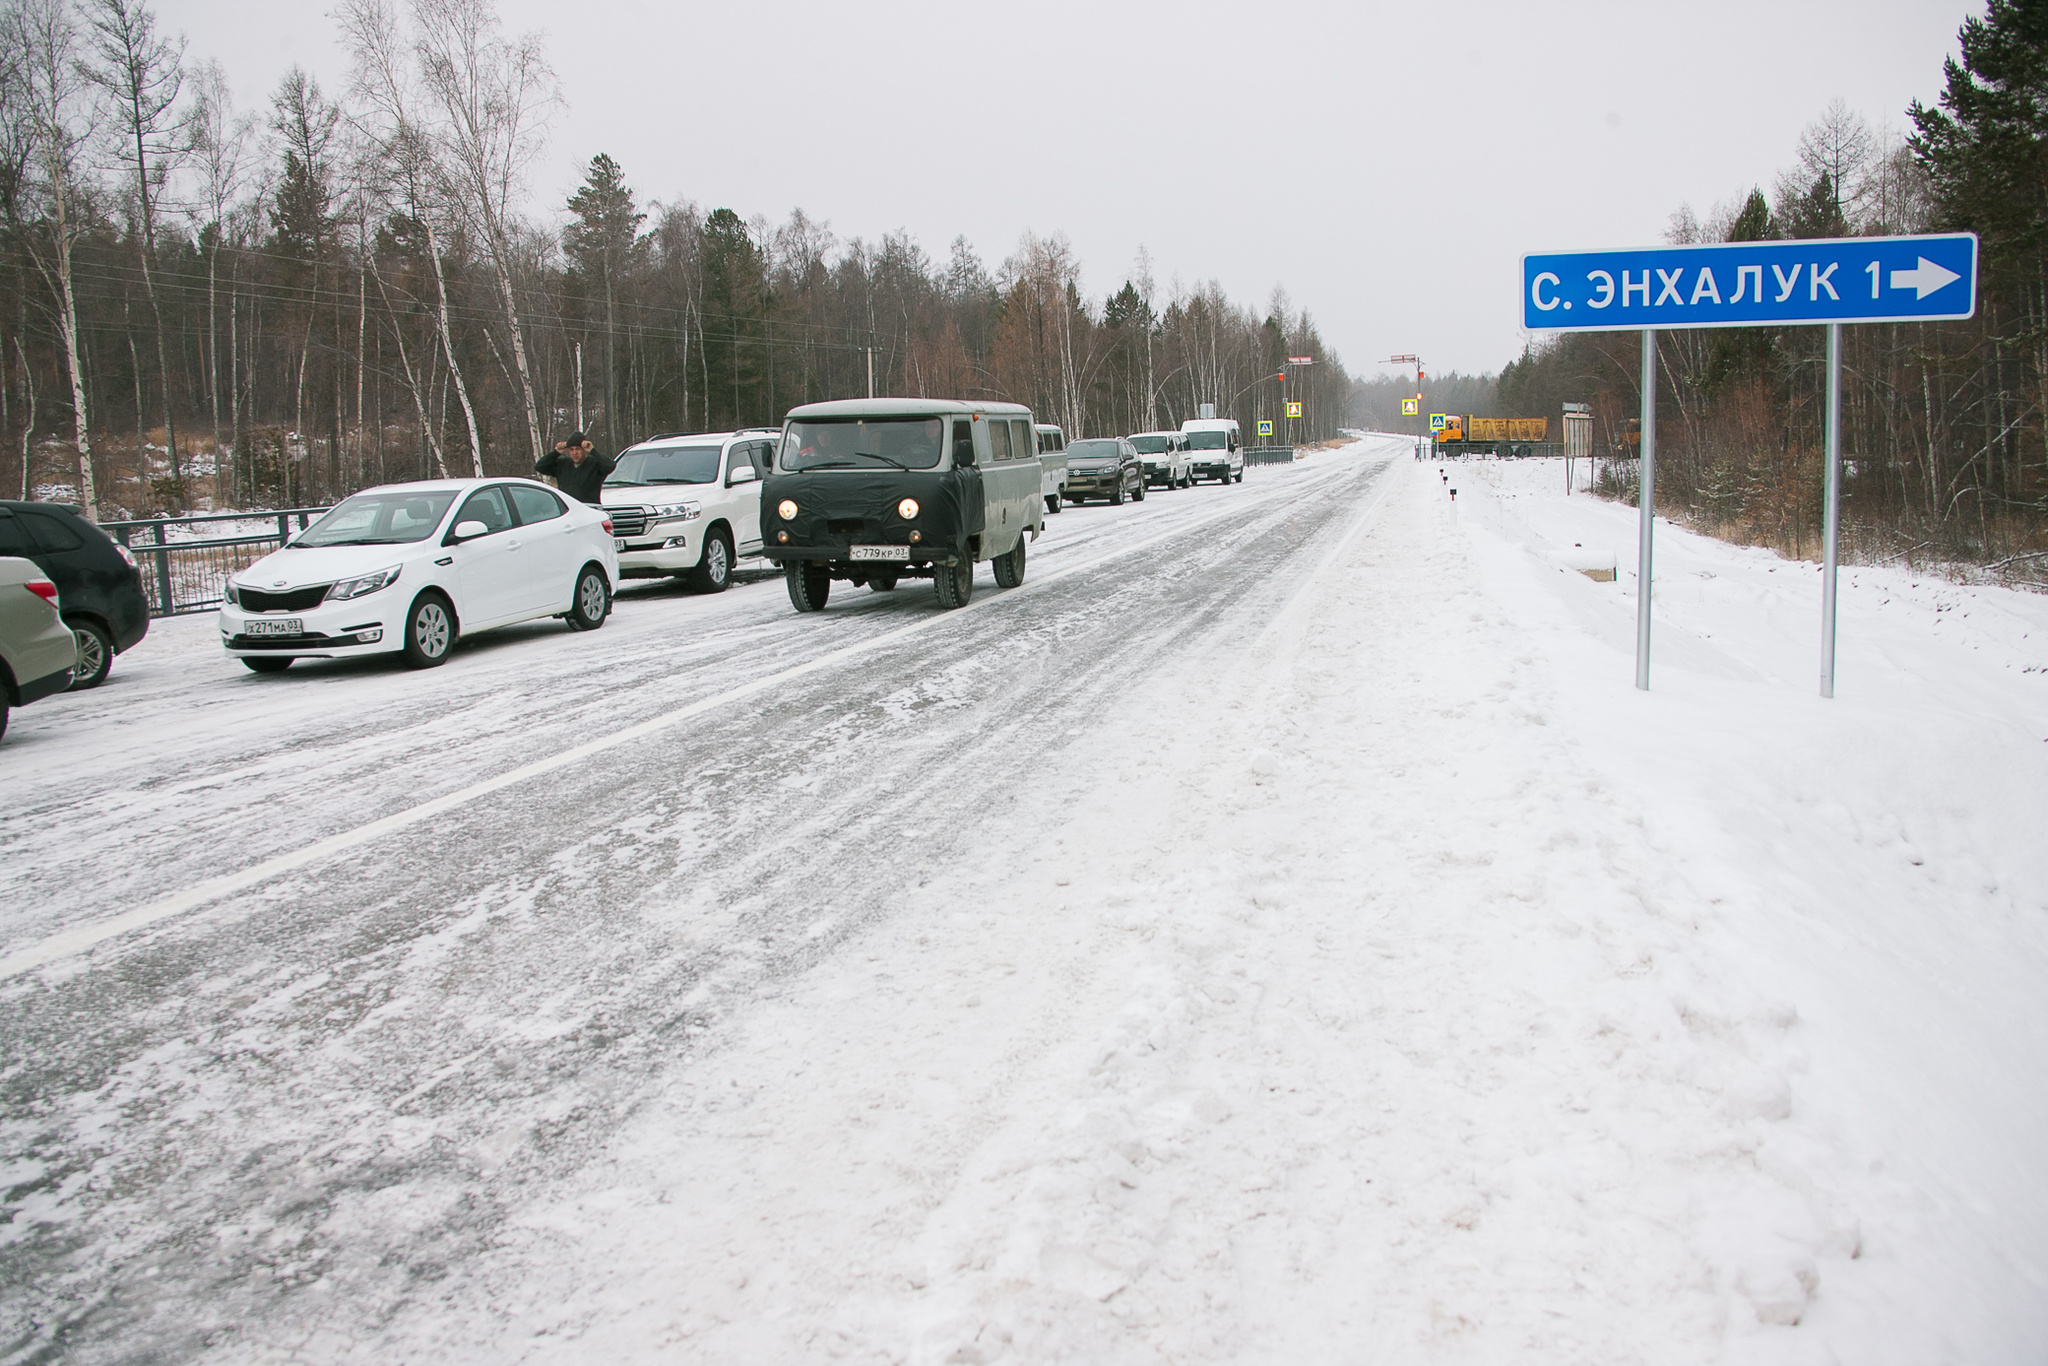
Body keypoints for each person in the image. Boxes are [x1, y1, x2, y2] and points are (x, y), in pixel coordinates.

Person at [535, 431, 615, 504]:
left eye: (578, 449)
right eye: (571, 449)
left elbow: (610, 465)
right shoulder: (562, 464)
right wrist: (556, 452)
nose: (575, 453)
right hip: (568, 510)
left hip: (589, 510)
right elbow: (540, 466)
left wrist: (593, 451)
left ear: (584, 450)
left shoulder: (594, 464)